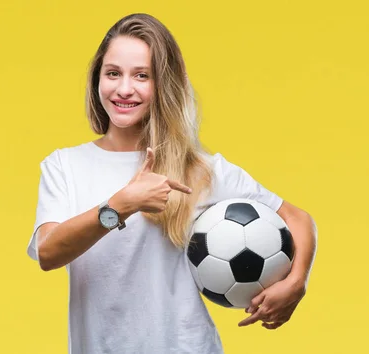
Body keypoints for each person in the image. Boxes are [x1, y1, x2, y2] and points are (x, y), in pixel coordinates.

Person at [26, 13, 317, 354]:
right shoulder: (64, 166)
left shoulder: (198, 169)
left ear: (163, 84)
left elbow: (298, 219)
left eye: (141, 76)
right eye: (113, 73)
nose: (124, 88)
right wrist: (121, 205)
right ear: (97, 79)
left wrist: (297, 282)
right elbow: (48, 252)